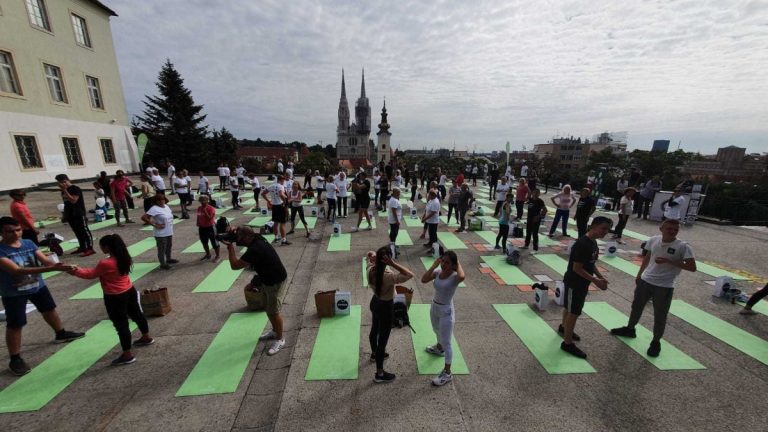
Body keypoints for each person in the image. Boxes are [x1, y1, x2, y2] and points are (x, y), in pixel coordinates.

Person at [0, 217, 84, 375]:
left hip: (37, 286)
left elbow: (46, 261)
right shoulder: (1, 250)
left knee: (49, 309)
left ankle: (61, 333)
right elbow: (16, 271)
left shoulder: (28, 243)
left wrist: (61, 266)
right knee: (15, 324)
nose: (16, 234)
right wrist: (52, 269)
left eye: (18, 230)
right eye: (10, 231)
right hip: (13, 293)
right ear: (1, 233)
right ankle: (15, 359)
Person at [610, 219, 696, 357]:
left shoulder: (683, 246)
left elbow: (692, 267)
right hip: (646, 280)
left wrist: (669, 261)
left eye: (675, 230)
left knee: (660, 315)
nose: (672, 231)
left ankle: (656, 342)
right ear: (661, 229)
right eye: (669, 228)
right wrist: (639, 274)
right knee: (636, 307)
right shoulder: (653, 240)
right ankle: (630, 329)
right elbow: (648, 257)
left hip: (664, 286)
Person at [67, 234, 153, 365]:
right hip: (129, 290)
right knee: (137, 314)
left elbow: (91, 274)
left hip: (115, 296)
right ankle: (146, 337)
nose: (101, 248)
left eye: (102, 246)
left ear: (107, 247)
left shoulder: (105, 263)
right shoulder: (124, 257)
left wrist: (75, 271)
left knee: (121, 324)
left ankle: (127, 354)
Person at [225, 226, 289, 355]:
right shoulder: (257, 238)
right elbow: (246, 232)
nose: (238, 241)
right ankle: (275, 331)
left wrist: (230, 248)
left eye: (240, 238)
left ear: (247, 237)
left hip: (275, 281)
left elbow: (235, 265)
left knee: (274, 311)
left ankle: (280, 339)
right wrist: (236, 230)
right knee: (268, 308)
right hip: (266, 278)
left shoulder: (255, 249)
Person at [559, 216, 613, 359]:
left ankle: (564, 327)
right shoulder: (583, 244)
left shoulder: (593, 242)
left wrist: (600, 276)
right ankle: (567, 343)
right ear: (593, 226)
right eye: (603, 228)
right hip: (575, 283)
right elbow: (577, 268)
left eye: (607, 230)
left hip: (582, 283)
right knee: (574, 312)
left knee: (569, 308)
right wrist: (596, 281)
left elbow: (591, 263)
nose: (605, 232)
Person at [366, 246, 415, 383]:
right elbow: (409, 274)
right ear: (387, 260)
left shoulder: (370, 269)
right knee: (382, 341)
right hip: (385, 307)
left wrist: (372, 256)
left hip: (375, 302)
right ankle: (380, 373)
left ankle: (374, 354)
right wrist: (392, 264)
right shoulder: (388, 277)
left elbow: (369, 256)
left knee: (374, 329)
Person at [421, 250, 465, 386]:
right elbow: (423, 280)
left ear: (453, 265)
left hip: (446, 311)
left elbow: (462, 276)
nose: (444, 264)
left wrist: (457, 262)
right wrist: (434, 265)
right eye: (443, 261)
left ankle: (447, 373)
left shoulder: (455, 276)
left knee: (447, 342)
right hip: (434, 307)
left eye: (447, 262)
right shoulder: (438, 272)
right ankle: (439, 349)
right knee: (436, 330)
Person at [54, 174, 94, 257]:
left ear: (67, 180)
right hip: (70, 214)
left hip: (79, 213)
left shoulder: (75, 189)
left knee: (84, 231)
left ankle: (90, 248)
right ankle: (82, 247)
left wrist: (65, 190)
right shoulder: (63, 191)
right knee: (77, 232)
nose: (62, 184)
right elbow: (66, 203)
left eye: (63, 182)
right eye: (60, 183)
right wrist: (64, 215)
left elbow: (73, 200)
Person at [141, 193, 178, 270]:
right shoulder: (154, 209)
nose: (161, 201)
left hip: (169, 230)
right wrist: (155, 224)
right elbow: (144, 217)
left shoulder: (166, 206)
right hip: (160, 233)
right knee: (162, 248)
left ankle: (168, 259)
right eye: (159, 200)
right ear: (156, 201)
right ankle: (163, 264)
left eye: (162, 199)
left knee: (168, 246)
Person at [262, 175, 290, 246]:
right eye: (283, 180)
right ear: (281, 179)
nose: (284, 181)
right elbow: (281, 194)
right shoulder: (281, 186)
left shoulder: (271, 186)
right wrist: (285, 201)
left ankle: (276, 237)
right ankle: (284, 240)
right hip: (280, 206)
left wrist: (268, 201)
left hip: (274, 206)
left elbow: (263, 193)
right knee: (282, 223)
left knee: (275, 223)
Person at [520, 188, 547, 254]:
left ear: (539, 194)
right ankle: (526, 245)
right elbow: (525, 198)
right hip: (529, 218)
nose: (535, 194)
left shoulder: (540, 201)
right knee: (528, 232)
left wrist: (539, 216)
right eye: (534, 192)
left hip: (536, 220)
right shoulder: (530, 199)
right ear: (532, 193)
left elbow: (545, 210)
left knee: (535, 234)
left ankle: (535, 249)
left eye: (537, 193)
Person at [196, 195, 220, 262]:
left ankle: (217, 256)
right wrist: (198, 222)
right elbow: (198, 216)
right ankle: (208, 254)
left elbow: (210, 218)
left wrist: (205, 211)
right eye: (201, 200)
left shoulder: (211, 208)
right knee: (204, 242)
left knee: (214, 242)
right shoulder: (199, 208)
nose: (202, 202)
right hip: (202, 227)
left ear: (207, 201)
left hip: (210, 227)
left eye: (204, 200)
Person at [387, 188, 402, 253]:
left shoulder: (394, 199)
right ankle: (392, 248)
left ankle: (392, 244)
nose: (399, 194)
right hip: (394, 220)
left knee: (393, 232)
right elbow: (394, 211)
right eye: (398, 193)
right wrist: (397, 221)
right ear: (395, 193)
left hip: (393, 220)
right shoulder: (394, 201)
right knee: (394, 233)